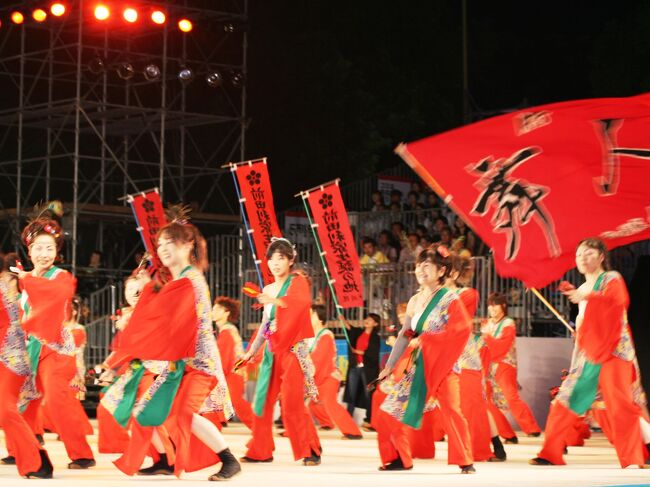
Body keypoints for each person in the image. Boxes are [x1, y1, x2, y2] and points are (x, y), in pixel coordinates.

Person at [101, 212, 241, 480]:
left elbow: (160, 316)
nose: (163, 249)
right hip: (179, 364)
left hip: (197, 364)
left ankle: (228, 460)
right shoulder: (179, 281)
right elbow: (161, 315)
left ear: (188, 246)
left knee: (182, 413)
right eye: (161, 244)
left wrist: (148, 292)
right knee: (149, 410)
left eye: (170, 243)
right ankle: (165, 459)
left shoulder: (189, 280)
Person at [530, 238, 649, 468]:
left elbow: (618, 301)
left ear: (602, 256)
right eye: (579, 255)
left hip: (614, 351)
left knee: (620, 405)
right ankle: (550, 452)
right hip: (589, 355)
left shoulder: (611, 278)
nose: (582, 258)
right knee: (564, 400)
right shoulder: (583, 288)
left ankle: (633, 458)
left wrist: (587, 298)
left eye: (588, 253)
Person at [377, 247, 475, 473]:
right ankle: (401, 457)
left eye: (426, 265)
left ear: (441, 270)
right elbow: (405, 335)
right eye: (418, 266)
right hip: (418, 365)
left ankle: (465, 460)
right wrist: (389, 366)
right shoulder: (414, 301)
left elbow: (461, 329)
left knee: (451, 409)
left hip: (444, 365)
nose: (420, 270)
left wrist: (428, 339)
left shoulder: (450, 298)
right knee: (390, 410)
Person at [17, 212, 96, 469]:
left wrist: (27, 280)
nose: (44, 253)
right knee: (23, 402)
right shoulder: (25, 280)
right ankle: (24, 448)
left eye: (49, 248)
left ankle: (82, 454)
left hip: (56, 349)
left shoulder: (59, 276)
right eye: (38, 248)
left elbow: (54, 295)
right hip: (31, 350)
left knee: (57, 399)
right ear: (29, 251)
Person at [239, 238, 322, 466]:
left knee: (293, 402)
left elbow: (300, 303)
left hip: (293, 349)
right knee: (262, 401)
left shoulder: (298, 281)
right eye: (272, 258)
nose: (275, 263)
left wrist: (275, 300)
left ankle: (311, 449)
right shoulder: (268, 288)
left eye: (281, 258)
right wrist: (251, 352)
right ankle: (260, 450)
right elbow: (266, 324)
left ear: (291, 260)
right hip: (271, 349)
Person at [0, 253, 53, 479]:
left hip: (11, 358)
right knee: (5, 411)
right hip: (8, 357)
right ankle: (36, 457)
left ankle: (36, 459)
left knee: (5, 410)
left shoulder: (11, 291)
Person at [482, 292, 541, 442]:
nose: (492, 308)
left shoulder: (508, 323)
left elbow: (502, 346)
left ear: (503, 306)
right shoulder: (486, 323)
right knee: (487, 401)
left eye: (495, 305)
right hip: (488, 367)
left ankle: (531, 428)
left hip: (505, 364)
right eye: (490, 305)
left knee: (511, 396)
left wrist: (487, 338)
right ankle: (507, 434)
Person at [307, 304, 362, 439]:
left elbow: (319, 359)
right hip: (318, 375)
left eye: (312, 315)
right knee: (313, 403)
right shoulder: (310, 337)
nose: (308, 317)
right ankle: (327, 423)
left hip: (328, 376)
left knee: (329, 403)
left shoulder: (326, 335)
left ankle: (353, 432)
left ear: (320, 319)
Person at [212, 296, 254, 429]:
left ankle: (259, 428)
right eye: (214, 308)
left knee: (238, 404)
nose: (213, 311)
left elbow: (224, 360)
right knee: (235, 403)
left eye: (218, 309)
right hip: (234, 373)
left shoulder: (227, 332)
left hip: (232, 374)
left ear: (227, 313)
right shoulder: (227, 330)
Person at [343, 312, 380, 431]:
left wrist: (358, 352)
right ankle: (347, 420)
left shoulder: (375, 338)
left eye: (370, 319)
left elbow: (372, 354)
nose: (367, 320)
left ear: (375, 324)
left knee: (369, 394)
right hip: (355, 367)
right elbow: (349, 328)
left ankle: (370, 420)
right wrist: (342, 319)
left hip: (368, 370)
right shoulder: (359, 332)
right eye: (367, 318)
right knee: (351, 394)